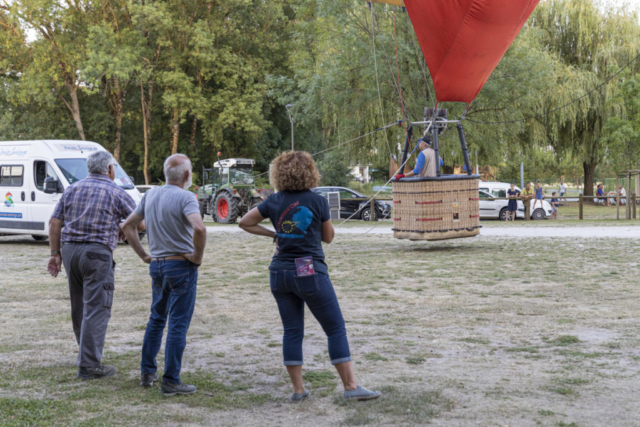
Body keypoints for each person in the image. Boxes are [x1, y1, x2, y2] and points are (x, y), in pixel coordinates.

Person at [239, 151, 381, 402]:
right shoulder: (318, 201)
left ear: (278, 173)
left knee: (292, 331)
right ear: (310, 172)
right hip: (307, 269)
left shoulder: (273, 200)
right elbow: (328, 237)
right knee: (335, 328)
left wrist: (274, 235)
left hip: (279, 272)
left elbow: (245, 222)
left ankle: (298, 390)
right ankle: (350, 387)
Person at [47, 151, 141, 380]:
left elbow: (54, 222)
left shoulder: (72, 189)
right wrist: (122, 228)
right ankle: (89, 365)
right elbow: (139, 220)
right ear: (110, 169)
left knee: (79, 305)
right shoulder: (115, 191)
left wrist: (55, 254)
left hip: (70, 251)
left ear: (89, 168)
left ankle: (85, 354)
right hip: (97, 253)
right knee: (97, 307)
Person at [122, 154, 206, 396]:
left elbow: (127, 226)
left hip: (157, 266)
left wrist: (144, 256)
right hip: (180, 266)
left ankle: (147, 373)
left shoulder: (150, 195)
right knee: (177, 323)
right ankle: (171, 380)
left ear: (166, 173)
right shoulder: (186, 197)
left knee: (156, 319)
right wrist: (197, 257)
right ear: (187, 176)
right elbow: (199, 228)